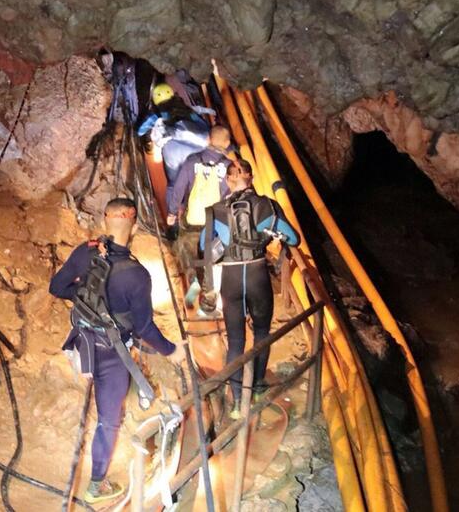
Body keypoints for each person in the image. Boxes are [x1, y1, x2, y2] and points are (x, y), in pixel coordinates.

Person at [49, 197, 187, 503]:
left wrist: (85, 299)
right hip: (112, 356)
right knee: (108, 419)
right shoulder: (137, 275)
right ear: (135, 226)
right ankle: (96, 484)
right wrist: (171, 351)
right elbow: (144, 328)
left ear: (103, 222)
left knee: (103, 398)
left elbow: (57, 288)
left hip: (81, 344)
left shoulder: (85, 252)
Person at [199, 161, 299, 417]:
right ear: (251, 177)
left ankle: (236, 403)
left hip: (230, 279)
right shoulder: (267, 205)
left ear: (228, 180)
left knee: (235, 341)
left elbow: (204, 245)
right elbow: (294, 238)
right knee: (262, 333)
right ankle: (255, 389)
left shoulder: (215, 211)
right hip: (257, 276)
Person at [137, 83, 215, 210]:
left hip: (174, 154)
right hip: (197, 150)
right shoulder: (187, 110)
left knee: (174, 185)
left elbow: (140, 131)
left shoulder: (157, 114)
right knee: (201, 178)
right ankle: (203, 210)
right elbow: (204, 127)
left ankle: (175, 215)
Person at [166, 125, 233, 229]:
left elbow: (179, 188)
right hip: (216, 223)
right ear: (227, 143)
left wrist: (172, 212)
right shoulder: (230, 167)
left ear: (208, 139)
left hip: (192, 218)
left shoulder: (192, 160)